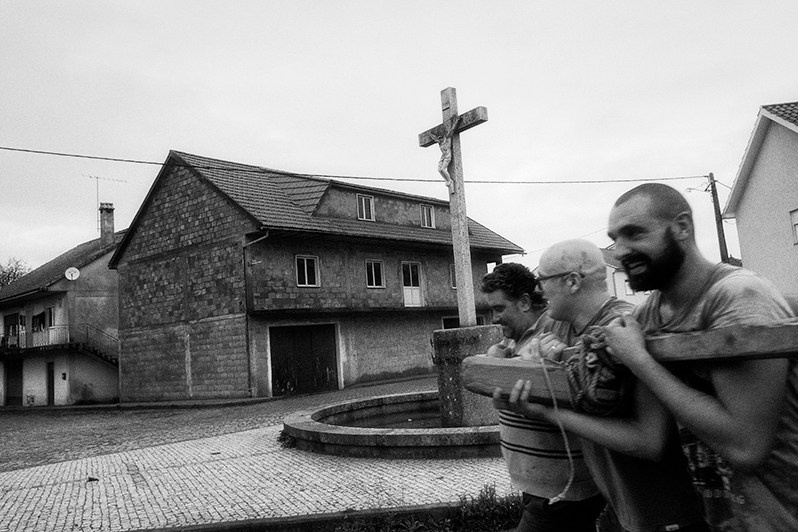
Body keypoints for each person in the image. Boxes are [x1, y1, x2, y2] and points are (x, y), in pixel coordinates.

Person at [602, 183, 797, 530]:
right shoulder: (649, 316)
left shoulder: (738, 298)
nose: (619, 251)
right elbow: (650, 435)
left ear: (681, 227)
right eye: (615, 238)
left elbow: (746, 447)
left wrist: (641, 362)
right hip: (722, 519)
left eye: (634, 234)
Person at [499, 240, 708, 532]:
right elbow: (526, 363)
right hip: (614, 507)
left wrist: (549, 408)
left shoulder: (628, 327)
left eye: (542, 280)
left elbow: (650, 442)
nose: (538, 290)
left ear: (572, 282)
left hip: (663, 514)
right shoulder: (557, 324)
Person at [481, 262, 605, 532]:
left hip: (561, 491)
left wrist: (558, 358)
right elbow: (509, 403)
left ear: (525, 302)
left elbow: (587, 386)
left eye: (499, 308)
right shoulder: (513, 339)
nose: (493, 318)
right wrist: (497, 367)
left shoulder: (557, 328)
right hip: (542, 487)